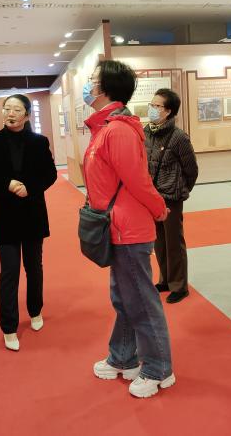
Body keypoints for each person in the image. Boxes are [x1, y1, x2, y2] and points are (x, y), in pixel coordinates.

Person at [83, 60, 175, 398]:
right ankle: (123, 357)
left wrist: (159, 209)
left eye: (93, 79)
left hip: (129, 229)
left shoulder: (118, 130)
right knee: (124, 297)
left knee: (141, 301)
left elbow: (138, 181)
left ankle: (159, 369)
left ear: (106, 88)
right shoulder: (106, 127)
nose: (89, 85)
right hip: (116, 227)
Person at [0, 94, 57, 352]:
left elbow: (50, 174)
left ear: (27, 115)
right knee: (9, 271)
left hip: (32, 213)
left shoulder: (39, 142)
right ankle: (9, 327)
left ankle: (35, 310)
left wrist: (30, 187)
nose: (10, 113)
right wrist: (6, 184)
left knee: (34, 267)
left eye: (16, 109)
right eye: (7, 108)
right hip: (4, 214)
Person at [144, 88, 198, 304]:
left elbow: (191, 170)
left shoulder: (178, 137)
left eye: (156, 106)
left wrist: (179, 189)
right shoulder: (146, 132)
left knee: (174, 242)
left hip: (171, 197)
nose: (152, 109)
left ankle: (179, 285)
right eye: (152, 104)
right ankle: (165, 279)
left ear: (168, 111)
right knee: (158, 241)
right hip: (151, 197)